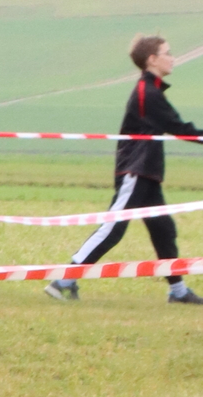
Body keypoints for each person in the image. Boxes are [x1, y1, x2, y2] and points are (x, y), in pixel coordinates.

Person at [46, 34, 203, 304]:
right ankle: (63, 281)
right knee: (113, 228)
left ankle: (177, 291)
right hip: (135, 170)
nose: (172, 57)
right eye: (167, 53)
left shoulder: (151, 90)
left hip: (147, 172)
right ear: (152, 60)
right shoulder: (147, 93)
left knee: (163, 229)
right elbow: (179, 127)